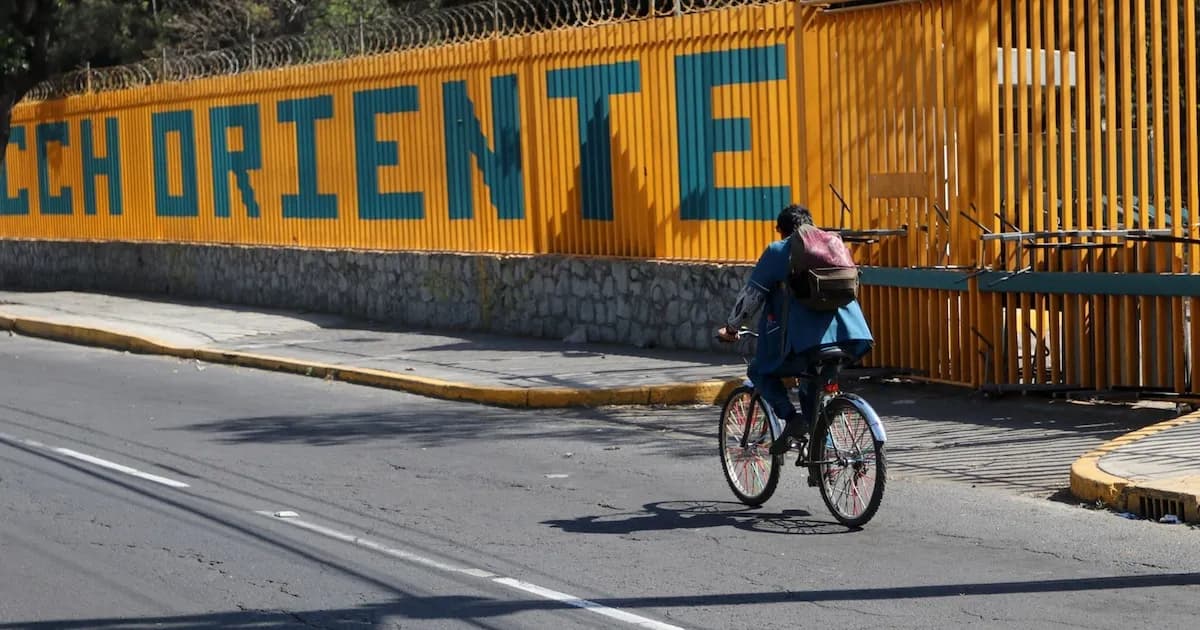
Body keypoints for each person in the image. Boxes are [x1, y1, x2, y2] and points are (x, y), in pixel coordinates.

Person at [716, 204, 874, 455]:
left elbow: (752, 297)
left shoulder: (779, 251)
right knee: (814, 383)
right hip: (849, 337)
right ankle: (823, 449)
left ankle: (792, 420)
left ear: (781, 230)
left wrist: (732, 327)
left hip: (804, 344)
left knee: (759, 370)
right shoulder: (834, 245)